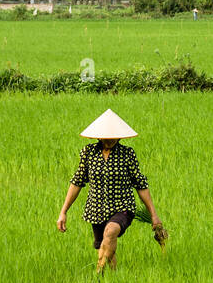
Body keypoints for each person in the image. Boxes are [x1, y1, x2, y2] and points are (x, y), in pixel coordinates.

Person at [57, 108, 166, 273]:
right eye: (107, 136)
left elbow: (140, 184)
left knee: (111, 231)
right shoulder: (88, 153)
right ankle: (111, 280)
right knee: (105, 247)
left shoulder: (127, 154)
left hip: (123, 206)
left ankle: (97, 272)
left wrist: (154, 216)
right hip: (96, 209)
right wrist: (63, 211)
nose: (110, 140)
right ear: (99, 136)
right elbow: (77, 181)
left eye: (114, 136)